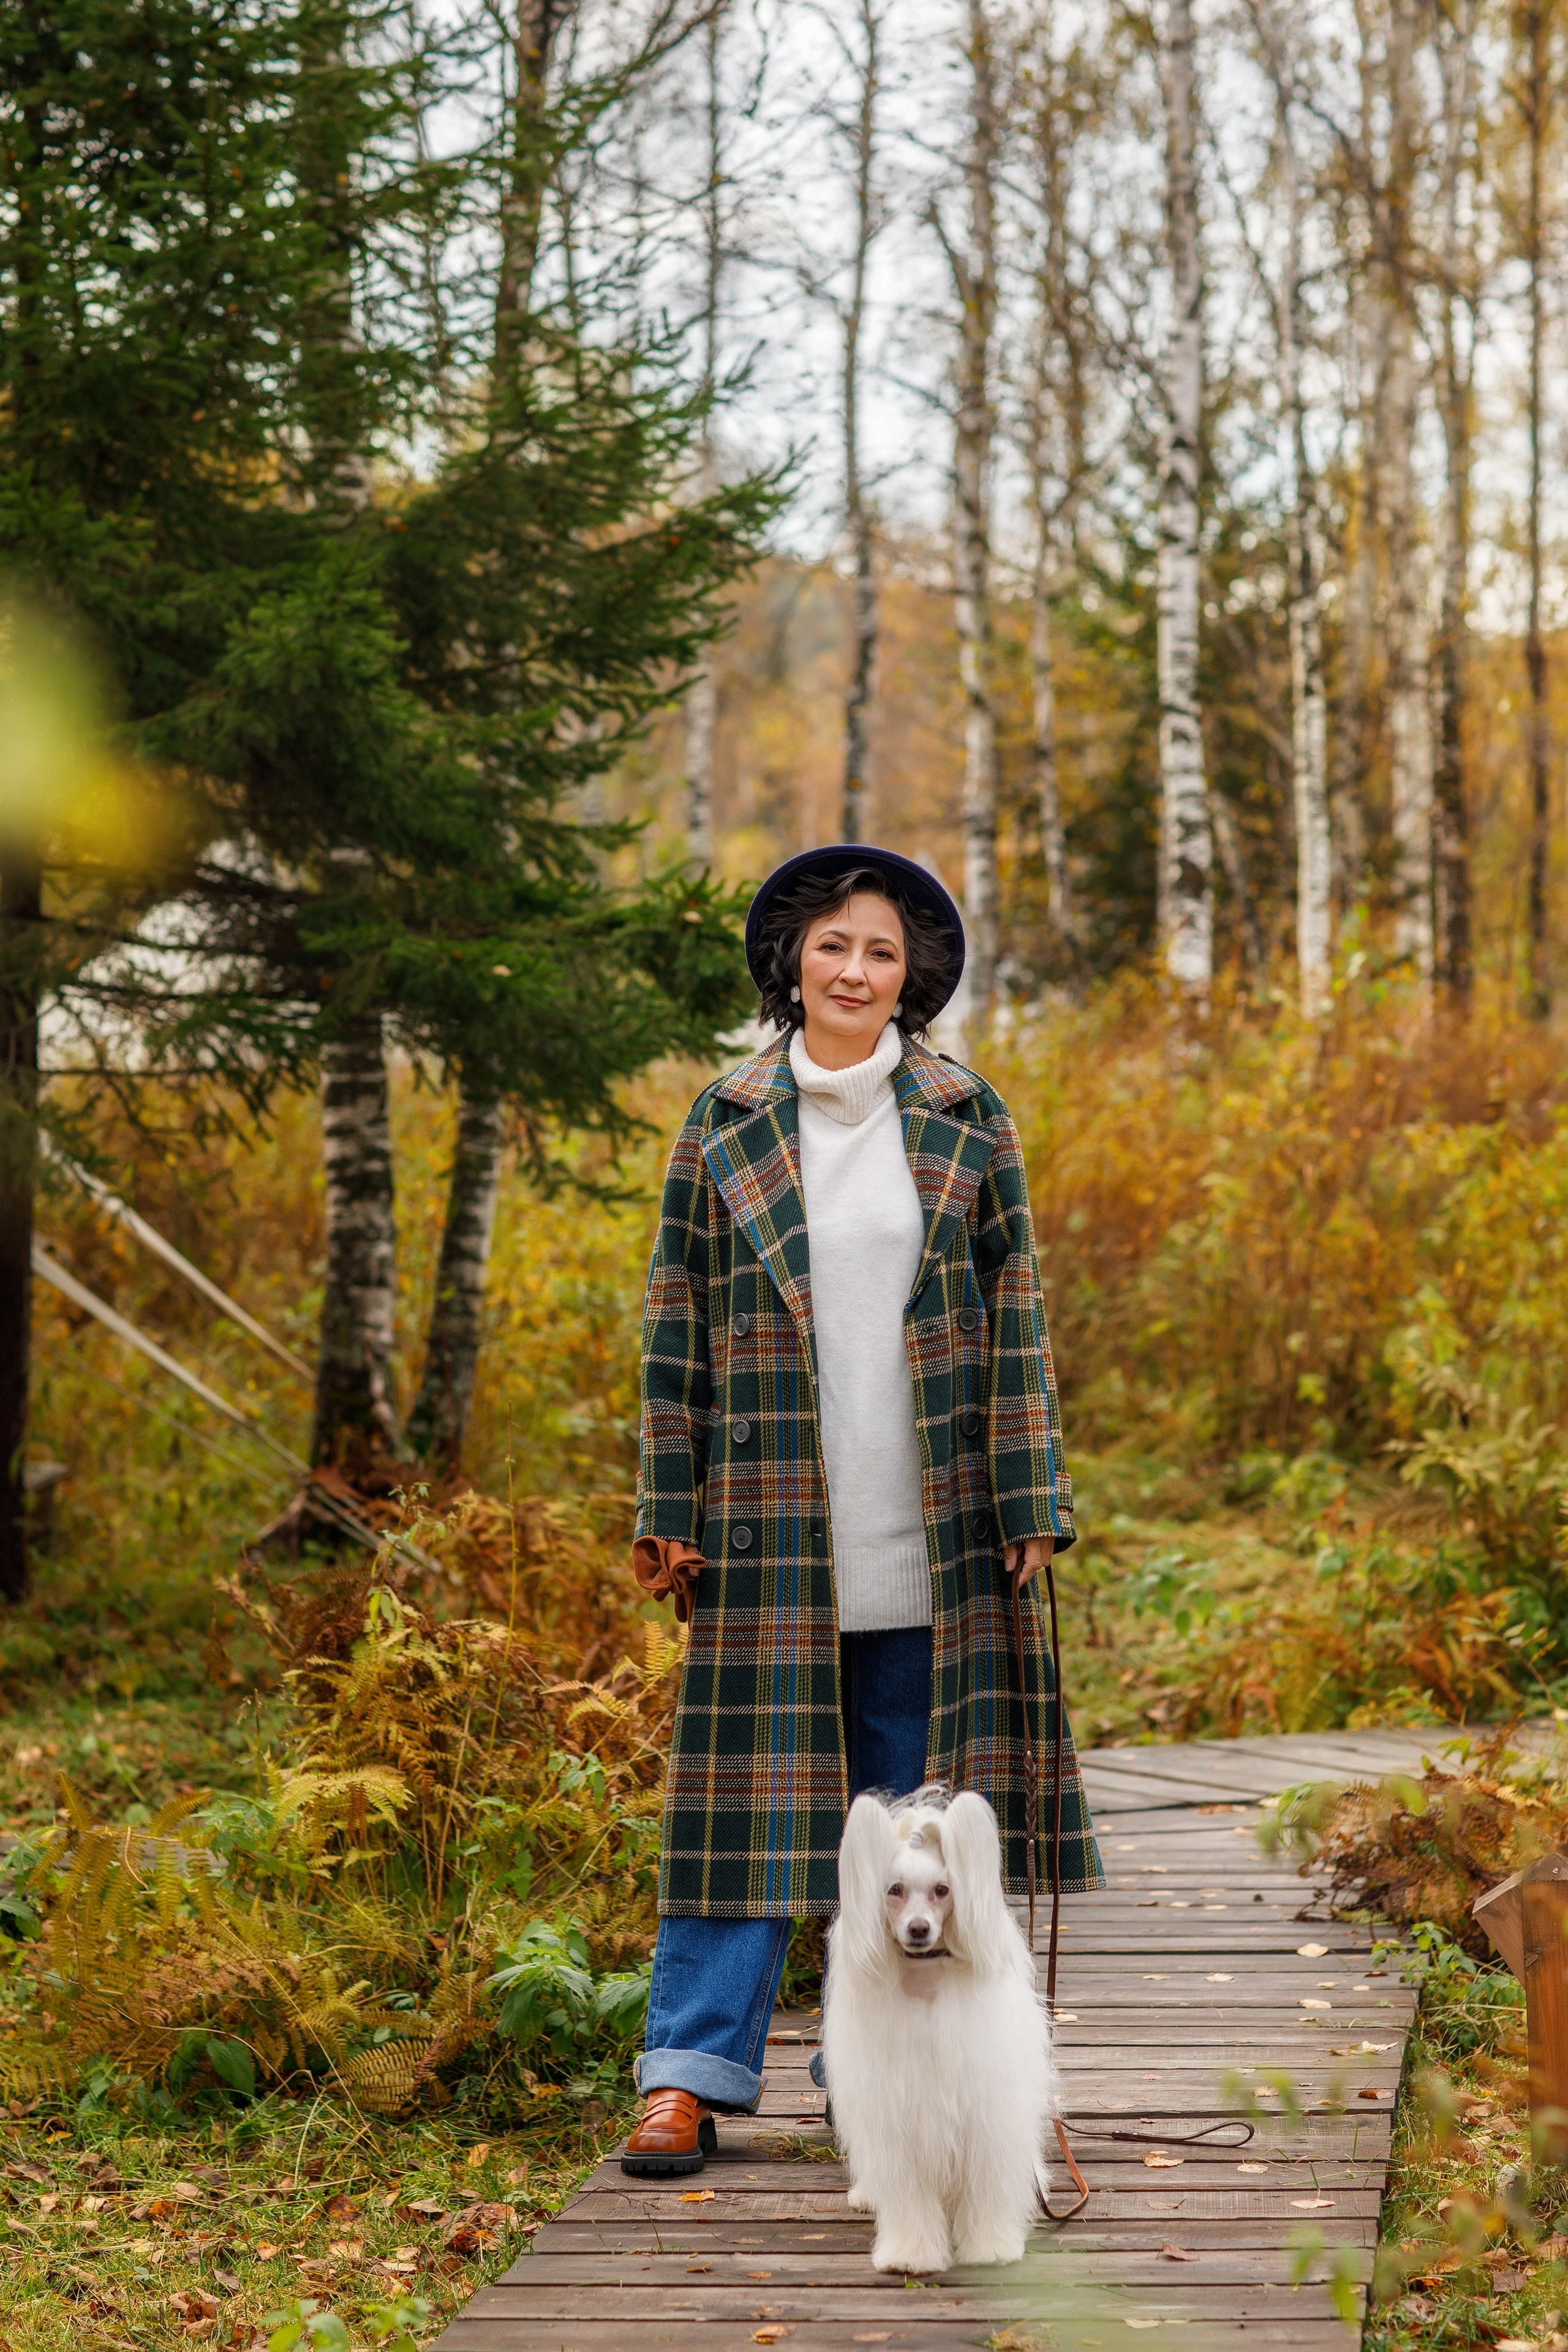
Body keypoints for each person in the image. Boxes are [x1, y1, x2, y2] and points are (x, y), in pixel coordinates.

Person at [620, 843, 1102, 2174]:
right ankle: (688, 2076)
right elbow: (673, 1321)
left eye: (879, 950)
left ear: (909, 977)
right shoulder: (724, 1117)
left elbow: (1017, 1312)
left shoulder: (966, 1113)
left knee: (908, 1824)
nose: (852, 969)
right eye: (831, 944)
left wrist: (1028, 1492)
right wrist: (667, 1497)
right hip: (767, 1517)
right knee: (741, 1810)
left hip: (931, 1523)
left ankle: (873, 2076)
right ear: (792, 964)